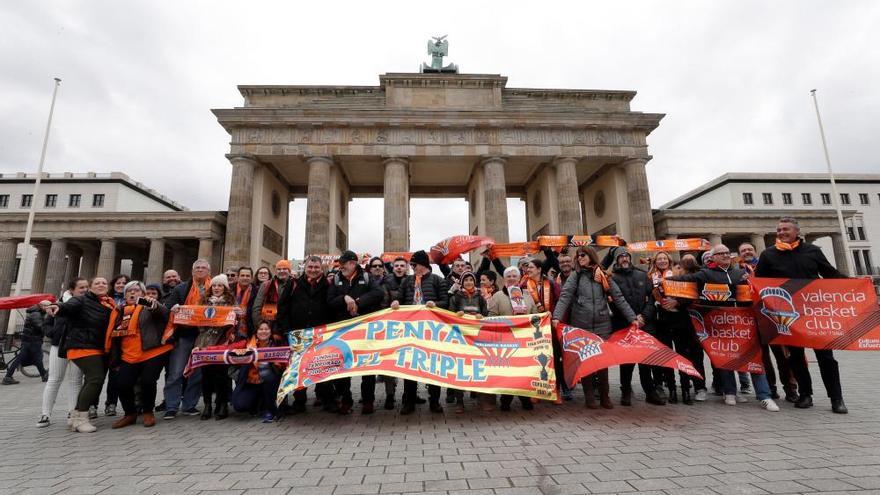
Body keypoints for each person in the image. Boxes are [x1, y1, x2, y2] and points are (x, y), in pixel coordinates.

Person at [756, 217, 848, 414]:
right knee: (795, 357)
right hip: (788, 313)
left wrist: (855, 284)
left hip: (815, 312)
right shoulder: (768, 255)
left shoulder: (812, 251)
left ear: (797, 231)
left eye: (785, 229)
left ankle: (837, 398)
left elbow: (830, 273)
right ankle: (805, 394)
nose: (781, 232)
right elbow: (759, 283)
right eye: (779, 229)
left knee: (826, 357)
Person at [672, 244, 780, 412]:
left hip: (744, 323)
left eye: (727, 253)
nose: (725, 256)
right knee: (725, 356)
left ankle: (764, 396)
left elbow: (758, 290)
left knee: (754, 358)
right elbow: (686, 282)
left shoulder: (740, 273)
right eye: (720, 253)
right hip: (720, 323)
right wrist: (663, 281)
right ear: (713, 258)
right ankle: (729, 391)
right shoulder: (705, 274)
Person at [553, 246, 639, 410]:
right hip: (581, 324)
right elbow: (565, 296)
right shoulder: (575, 276)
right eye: (578, 256)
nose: (580, 258)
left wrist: (632, 318)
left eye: (582, 255)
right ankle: (590, 397)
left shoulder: (604, 274)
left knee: (601, 361)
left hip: (602, 324)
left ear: (591, 256)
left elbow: (618, 297)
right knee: (586, 361)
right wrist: (557, 316)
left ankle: (605, 396)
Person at [45, 277, 115, 433]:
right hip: (82, 345)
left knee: (93, 380)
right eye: (97, 283)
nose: (101, 285)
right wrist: (57, 307)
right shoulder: (82, 300)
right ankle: (80, 419)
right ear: (90, 287)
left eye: (104, 283)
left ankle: (75, 416)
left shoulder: (106, 303)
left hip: (97, 347)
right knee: (95, 378)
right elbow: (68, 306)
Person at [106, 281, 172, 429]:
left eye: (136, 290)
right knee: (123, 384)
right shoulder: (119, 310)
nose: (132, 293)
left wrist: (152, 303)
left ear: (142, 294)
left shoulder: (148, 305)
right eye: (129, 291)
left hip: (152, 351)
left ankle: (148, 411)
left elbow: (162, 312)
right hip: (128, 354)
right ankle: (130, 413)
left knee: (148, 381)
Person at [391, 250, 449, 414]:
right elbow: (400, 299)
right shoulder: (407, 281)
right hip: (410, 330)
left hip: (432, 330)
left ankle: (435, 401)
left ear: (422, 265)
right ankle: (408, 402)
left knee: (433, 366)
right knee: (410, 366)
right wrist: (395, 302)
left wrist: (435, 304)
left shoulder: (438, 280)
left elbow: (446, 302)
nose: (412, 267)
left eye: (414, 264)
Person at [327, 250, 384, 414]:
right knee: (343, 367)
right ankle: (346, 400)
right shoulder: (336, 279)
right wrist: (344, 298)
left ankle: (368, 401)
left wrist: (358, 302)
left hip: (364, 329)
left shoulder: (366, 277)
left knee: (367, 367)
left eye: (343, 264)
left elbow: (378, 293)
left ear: (352, 263)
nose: (341, 267)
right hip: (343, 330)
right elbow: (329, 301)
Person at [739, 242, 796, 402]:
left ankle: (790, 389)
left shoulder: (768, 267)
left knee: (782, 356)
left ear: (755, 251)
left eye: (749, 249)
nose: (746, 252)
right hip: (752, 319)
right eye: (743, 251)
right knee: (761, 358)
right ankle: (770, 388)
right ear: (740, 254)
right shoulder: (738, 272)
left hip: (773, 317)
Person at [608, 247, 665, 406]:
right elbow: (614, 304)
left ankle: (650, 391)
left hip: (644, 324)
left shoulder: (642, 275)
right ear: (617, 260)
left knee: (645, 359)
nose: (624, 259)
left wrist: (643, 317)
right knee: (626, 361)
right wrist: (631, 318)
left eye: (626, 256)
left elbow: (652, 300)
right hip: (624, 324)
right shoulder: (612, 278)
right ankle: (625, 390)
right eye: (621, 257)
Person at [276, 255, 332, 413]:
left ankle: (326, 398)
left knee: (324, 366)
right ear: (305, 267)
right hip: (298, 333)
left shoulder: (328, 283)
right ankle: (300, 401)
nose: (313, 270)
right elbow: (283, 307)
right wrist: (286, 329)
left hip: (321, 333)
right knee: (299, 368)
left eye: (316, 268)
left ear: (321, 269)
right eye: (310, 267)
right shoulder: (293, 283)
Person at [648, 252, 702, 405]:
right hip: (661, 321)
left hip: (680, 319)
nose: (662, 261)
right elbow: (649, 296)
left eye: (665, 258)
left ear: (669, 260)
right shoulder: (650, 276)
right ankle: (671, 388)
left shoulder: (680, 273)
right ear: (655, 261)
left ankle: (685, 389)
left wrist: (677, 302)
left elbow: (691, 294)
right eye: (659, 259)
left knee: (683, 355)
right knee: (666, 356)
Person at [162, 258, 212, 420]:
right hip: (184, 335)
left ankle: (189, 405)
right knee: (176, 372)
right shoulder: (181, 288)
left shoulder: (215, 288)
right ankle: (171, 406)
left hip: (204, 337)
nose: (200, 270)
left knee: (196, 373)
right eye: (197, 267)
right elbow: (167, 307)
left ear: (208, 271)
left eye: (203, 267)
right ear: (192, 270)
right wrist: (173, 308)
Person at [36, 277, 88, 428]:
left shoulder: (87, 304)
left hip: (78, 345)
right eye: (81, 287)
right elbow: (47, 322)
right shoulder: (60, 302)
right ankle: (45, 414)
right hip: (59, 345)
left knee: (75, 380)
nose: (84, 290)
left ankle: (72, 412)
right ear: (72, 289)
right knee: (54, 379)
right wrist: (53, 333)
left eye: (86, 287)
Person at [488, 266, 538, 411]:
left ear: (519, 278)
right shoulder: (498, 296)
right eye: (508, 276)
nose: (511, 278)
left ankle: (525, 398)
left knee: (524, 371)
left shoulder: (528, 295)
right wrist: (508, 322)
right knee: (508, 372)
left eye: (514, 276)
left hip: (525, 340)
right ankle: (506, 399)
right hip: (506, 340)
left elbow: (535, 315)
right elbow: (491, 316)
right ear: (504, 279)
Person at [520, 257, 569, 401]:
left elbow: (561, 302)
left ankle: (556, 390)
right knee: (535, 359)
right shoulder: (523, 285)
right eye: (527, 268)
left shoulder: (552, 284)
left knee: (553, 359)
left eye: (531, 268)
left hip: (551, 328)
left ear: (539, 269)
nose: (528, 270)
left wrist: (556, 318)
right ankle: (537, 391)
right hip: (533, 329)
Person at [191, 274, 239, 420]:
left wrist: (238, 316)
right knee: (206, 375)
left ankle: (222, 404)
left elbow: (237, 323)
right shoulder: (203, 302)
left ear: (225, 288)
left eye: (220, 285)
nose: (217, 288)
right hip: (205, 341)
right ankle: (207, 405)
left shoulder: (231, 303)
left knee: (222, 375)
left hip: (223, 341)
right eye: (214, 286)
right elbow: (195, 319)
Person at [221, 321, 285, 422]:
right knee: (239, 405)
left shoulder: (278, 343)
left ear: (271, 331)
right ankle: (257, 404)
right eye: (261, 329)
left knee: (267, 374)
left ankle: (270, 409)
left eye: (266, 329)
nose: (264, 331)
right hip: (252, 382)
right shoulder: (247, 343)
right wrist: (203, 349)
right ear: (256, 331)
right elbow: (226, 349)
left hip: (271, 382)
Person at [448, 271, 487, 413]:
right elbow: (450, 314)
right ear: (462, 282)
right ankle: (459, 401)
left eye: (471, 280)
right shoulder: (456, 297)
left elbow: (486, 314)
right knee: (460, 369)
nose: (469, 282)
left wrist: (481, 315)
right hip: (461, 338)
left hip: (476, 338)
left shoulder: (481, 297)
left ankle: (477, 398)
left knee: (476, 367)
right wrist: (456, 315)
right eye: (466, 280)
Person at [3, 302, 49, 386]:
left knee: (36, 358)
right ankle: (7, 377)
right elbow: (40, 327)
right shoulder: (36, 314)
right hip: (32, 340)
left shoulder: (36, 312)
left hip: (30, 339)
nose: (48, 309)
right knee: (33, 358)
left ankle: (44, 375)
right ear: (43, 306)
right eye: (47, 307)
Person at [102, 274, 128, 417]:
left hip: (120, 343)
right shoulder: (105, 299)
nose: (121, 285)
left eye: (124, 283)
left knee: (115, 376)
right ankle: (92, 405)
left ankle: (111, 404)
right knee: (98, 377)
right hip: (103, 341)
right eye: (118, 282)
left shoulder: (132, 300)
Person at [252, 260, 292, 336]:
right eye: (279, 269)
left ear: (289, 271)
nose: (281, 271)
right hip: (269, 327)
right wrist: (261, 326)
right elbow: (257, 307)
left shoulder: (296, 285)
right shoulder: (266, 285)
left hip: (289, 328)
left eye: (284, 269)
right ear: (276, 271)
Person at [232, 266, 255, 339]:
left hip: (249, 330)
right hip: (230, 329)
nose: (245, 278)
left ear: (251, 278)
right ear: (238, 277)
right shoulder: (229, 290)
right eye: (242, 275)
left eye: (248, 276)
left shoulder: (257, 292)